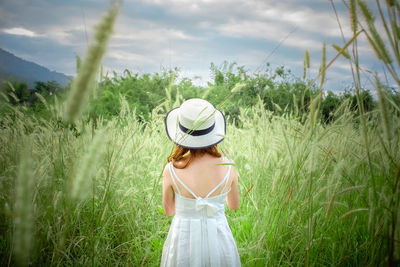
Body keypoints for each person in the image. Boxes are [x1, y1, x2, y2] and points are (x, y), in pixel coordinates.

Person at [161, 98, 241, 267]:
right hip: (219, 240)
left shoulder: (171, 169)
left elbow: (169, 211)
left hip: (183, 240)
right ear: (212, 133)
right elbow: (233, 205)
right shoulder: (229, 167)